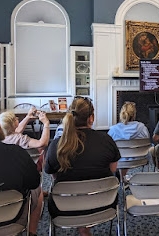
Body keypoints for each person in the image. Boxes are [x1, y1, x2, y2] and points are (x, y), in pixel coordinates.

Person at [45, 96, 121, 236]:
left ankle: (82, 227)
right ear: (91, 118)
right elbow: (112, 171)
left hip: (64, 207)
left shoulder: (56, 145)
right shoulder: (107, 140)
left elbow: (54, 177)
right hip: (104, 204)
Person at [0, 103, 40, 235]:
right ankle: (32, 232)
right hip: (13, 219)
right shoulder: (16, 153)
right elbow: (34, 182)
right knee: (38, 190)